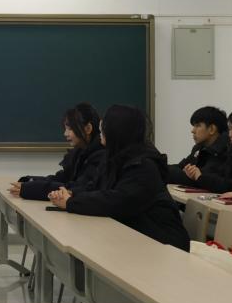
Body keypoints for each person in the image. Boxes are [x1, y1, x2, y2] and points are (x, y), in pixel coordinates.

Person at [48, 105, 189, 252]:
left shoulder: (143, 165)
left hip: (164, 244)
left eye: (104, 126)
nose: (100, 130)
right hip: (135, 237)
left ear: (117, 130)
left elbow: (117, 201)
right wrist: (71, 194)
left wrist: (71, 203)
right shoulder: (114, 158)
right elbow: (96, 187)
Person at [11, 102, 104, 200]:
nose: (65, 134)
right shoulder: (79, 152)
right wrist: (29, 181)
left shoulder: (100, 155)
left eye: (70, 129)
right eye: (65, 129)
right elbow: (62, 178)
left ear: (88, 128)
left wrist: (30, 189)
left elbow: (75, 187)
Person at [165, 106, 230, 187]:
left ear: (212, 129)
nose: (192, 131)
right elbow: (181, 166)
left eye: (198, 125)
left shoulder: (225, 150)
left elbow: (202, 178)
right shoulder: (199, 147)